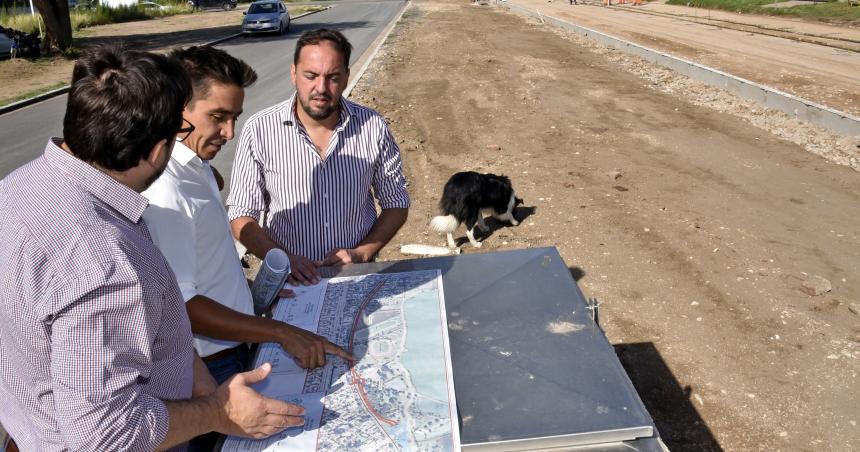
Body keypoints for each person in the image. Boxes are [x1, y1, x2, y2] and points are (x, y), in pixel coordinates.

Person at [0, 45, 304, 451]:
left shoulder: (17, 189)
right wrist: (218, 412)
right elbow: (107, 434)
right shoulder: (103, 259)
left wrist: (208, 393)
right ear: (159, 149)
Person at [142, 45, 351, 386]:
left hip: (235, 346)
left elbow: (204, 265)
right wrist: (281, 332)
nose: (229, 132)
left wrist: (249, 289)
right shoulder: (167, 190)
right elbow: (182, 306)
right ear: (177, 108)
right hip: (210, 366)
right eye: (218, 117)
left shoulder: (198, 169)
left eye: (235, 117)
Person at [227, 28, 410, 285]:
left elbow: (396, 203)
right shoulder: (259, 130)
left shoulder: (373, 127)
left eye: (333, 77)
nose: (321, 88)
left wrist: (362, 252)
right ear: (293, 74)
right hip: (289, 284)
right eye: (310, 76)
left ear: (346, 77)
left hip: (356, 277)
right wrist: (283, 260)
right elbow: (241, 214)